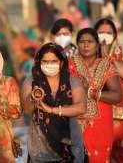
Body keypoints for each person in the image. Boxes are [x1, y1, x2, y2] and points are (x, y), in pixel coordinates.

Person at [21, 42, 86, 162]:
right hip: (40, 147)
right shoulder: (31, 82)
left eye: (53, 61)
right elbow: (27, 110)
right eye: (45, 62)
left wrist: (51, 110)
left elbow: (81, 108)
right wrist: (32, 98)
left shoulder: (73, 82)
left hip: (70, 144)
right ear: (39, 63)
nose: (49, 65)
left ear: (61, 63)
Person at [68, 28, 123, 162]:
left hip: (101, 125)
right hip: (75, 123)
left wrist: (91, 92)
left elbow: (117, 95)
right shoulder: (69, 64)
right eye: (82, 42)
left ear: (97, 45)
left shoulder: (106, 65)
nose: (86, 45)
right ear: (77, 44)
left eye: (90, 42)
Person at [94, 18, 123, 163]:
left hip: (119, 113)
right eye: (101, 32)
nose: (104, 35)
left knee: (120, 152)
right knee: (98, 153)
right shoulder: (87, 52)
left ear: (115, 34)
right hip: (95, 112)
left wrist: (107, 58)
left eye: (108, 32)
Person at [50, 18, 86, 163]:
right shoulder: (48, 53)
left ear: (72, 34)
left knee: (76, 149)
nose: (63, 37)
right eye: (59, 34)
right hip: (53, 105)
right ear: (53, 36)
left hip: (76, 106)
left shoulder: (79, 53)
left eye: (66, 33)